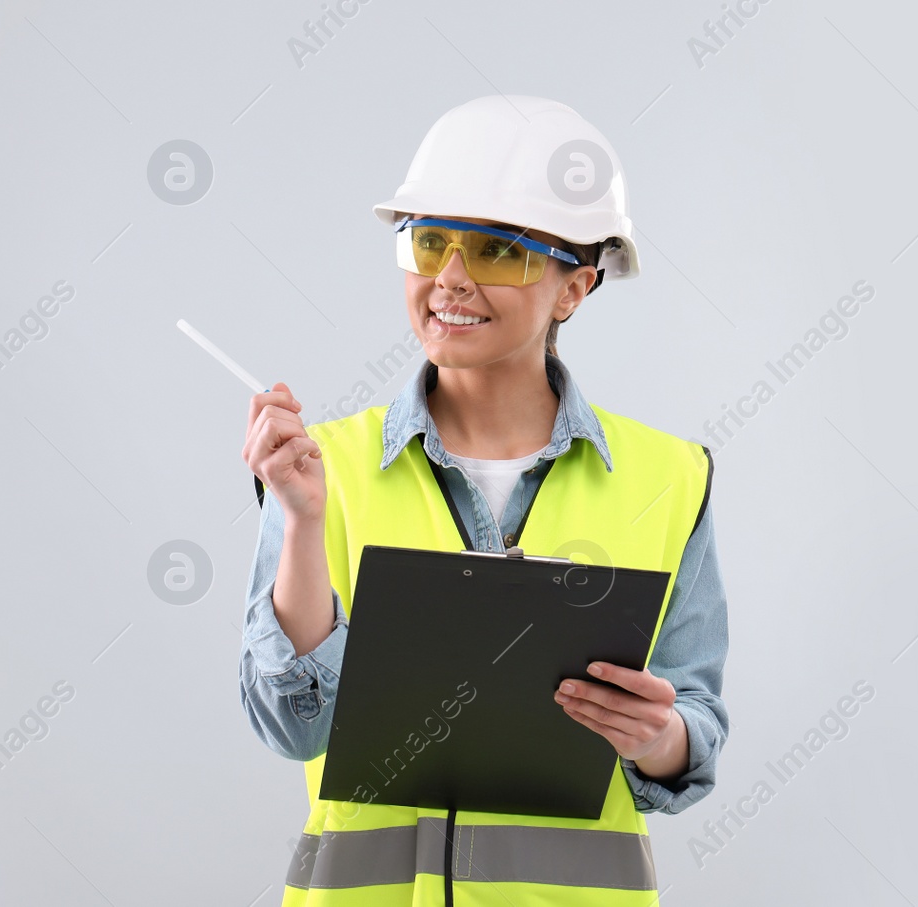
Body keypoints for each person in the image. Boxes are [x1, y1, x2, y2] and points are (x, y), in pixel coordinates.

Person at [239, 95, 729, 904]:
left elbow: (694, 726)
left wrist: (660, 736)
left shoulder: (669, 478)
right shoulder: (321, 470)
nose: (450, 279)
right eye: (430, 242)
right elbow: (292, 725)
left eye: (498, 250)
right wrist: (300, 521)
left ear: (575, 287)